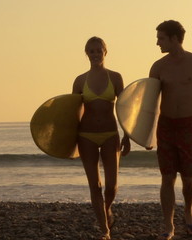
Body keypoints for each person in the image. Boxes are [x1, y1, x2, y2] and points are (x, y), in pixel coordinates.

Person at [149, 20, 192, 240]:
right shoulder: (158, 67)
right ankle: (168, 225)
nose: (157, 42)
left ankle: (188, 210)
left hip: (189, 125)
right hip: (166, 125)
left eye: (161, 38)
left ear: (173, 38)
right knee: (167, 177)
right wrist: (146, 133)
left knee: (189, 179)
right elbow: (148, 104)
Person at [72, 36, 130, 240]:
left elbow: (124, 109)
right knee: (95, 185)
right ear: (86, 53)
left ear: (105, 52)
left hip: (110, 134)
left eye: (99, 50)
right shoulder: (80, 81)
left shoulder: (115, 77)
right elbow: (73, 112)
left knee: (112, 185)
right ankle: (105, 230)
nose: (95, 54)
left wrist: (128, 135)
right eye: (91, 51)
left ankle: (106, 210)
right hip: (86, 135)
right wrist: (68, 142)